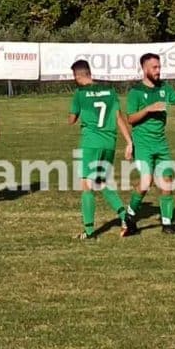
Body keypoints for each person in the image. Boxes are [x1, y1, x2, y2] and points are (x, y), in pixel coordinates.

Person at [125, 52, 175, 234]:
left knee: (167, 182)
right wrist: (148, 109)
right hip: (143, 144)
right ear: (144, 69)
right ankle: (130, 214)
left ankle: (167, 225)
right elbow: (130, 119)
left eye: (159, 67)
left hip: (161, 144)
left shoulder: (165, 89)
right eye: (154, 67)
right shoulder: (135, 92)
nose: (158, 70)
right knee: (146, 182)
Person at [68, 59, 136, 239]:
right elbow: (118, 117)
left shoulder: (80, 93)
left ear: (77, 75)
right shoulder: (110, 91)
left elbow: (71, 119)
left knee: (87, 185)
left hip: (91, 143)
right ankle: (124, 216)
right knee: (100, 181)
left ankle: (89, 231)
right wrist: (129, 141)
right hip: (109, 143)